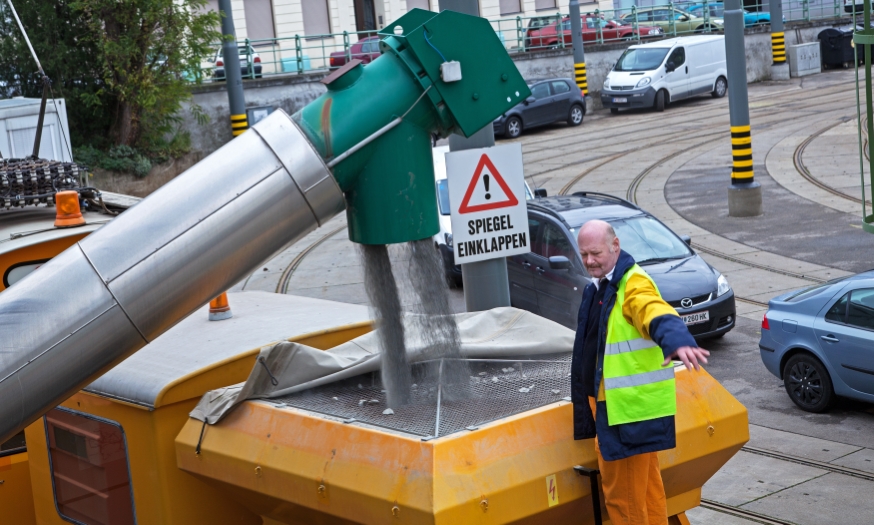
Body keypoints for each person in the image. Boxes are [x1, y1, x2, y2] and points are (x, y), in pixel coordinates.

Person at [571, 219, 710, 525]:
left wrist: (677, 339)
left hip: (624, 413)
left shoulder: (632, 283)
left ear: (615, 247)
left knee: (625, 500)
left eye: (595, 253)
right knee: (647, 492)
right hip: (622, 409)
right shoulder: (597, 288)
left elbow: (653, 310)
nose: (590, 261)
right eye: (584, 255)